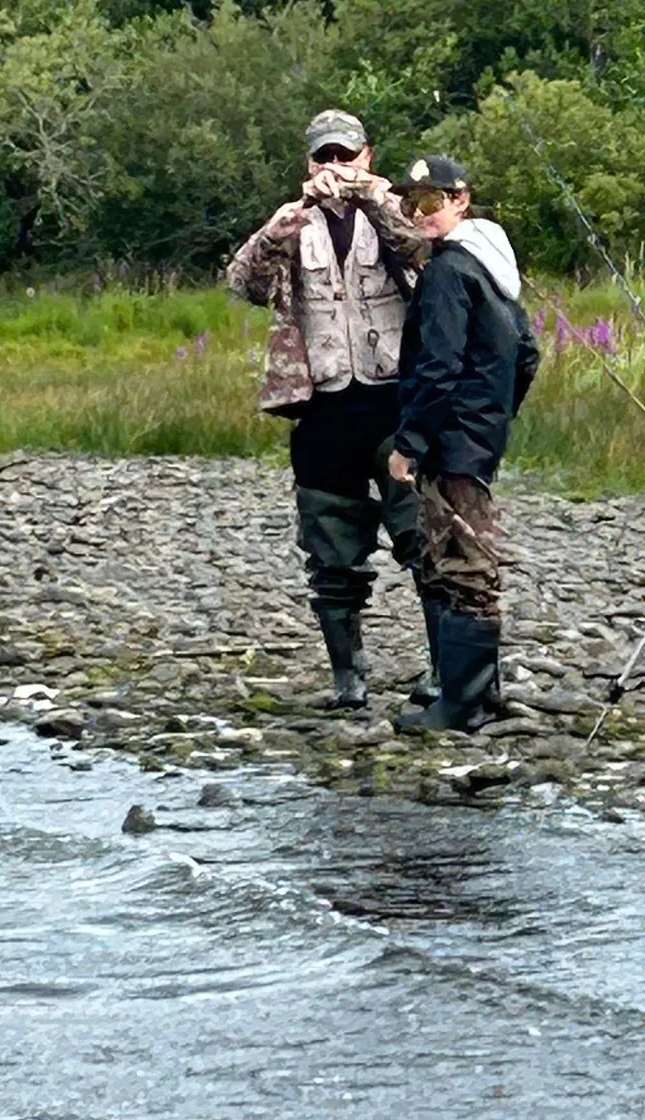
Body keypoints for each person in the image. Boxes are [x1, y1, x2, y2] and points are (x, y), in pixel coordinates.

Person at [227, 109, 434, 710]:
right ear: (309, 164)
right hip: (320, 408)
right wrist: (283, 223)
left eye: (346, 156)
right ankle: (348, 675)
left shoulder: (392, 210)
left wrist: (374, 198)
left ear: (367, 156)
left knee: (421, 538)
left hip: (395, 403)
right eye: (325, 158)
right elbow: (243, 281)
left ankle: (444, 665)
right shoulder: (292, 224)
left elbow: (421, 250)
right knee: (330, 551)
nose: (335, 168)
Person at [388, 155, 539, 733]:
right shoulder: (493, 264)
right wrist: (495, 415)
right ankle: (480, 691)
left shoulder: (449, 272)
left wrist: (410, 441)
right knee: (465, 554)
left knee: (461, 563)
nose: (420, 213)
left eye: (431, 201)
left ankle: (466, 702)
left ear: (460, 201)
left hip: (452, 442)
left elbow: (438, 367)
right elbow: (526, 354)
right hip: (477, 436)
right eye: (411, 203)